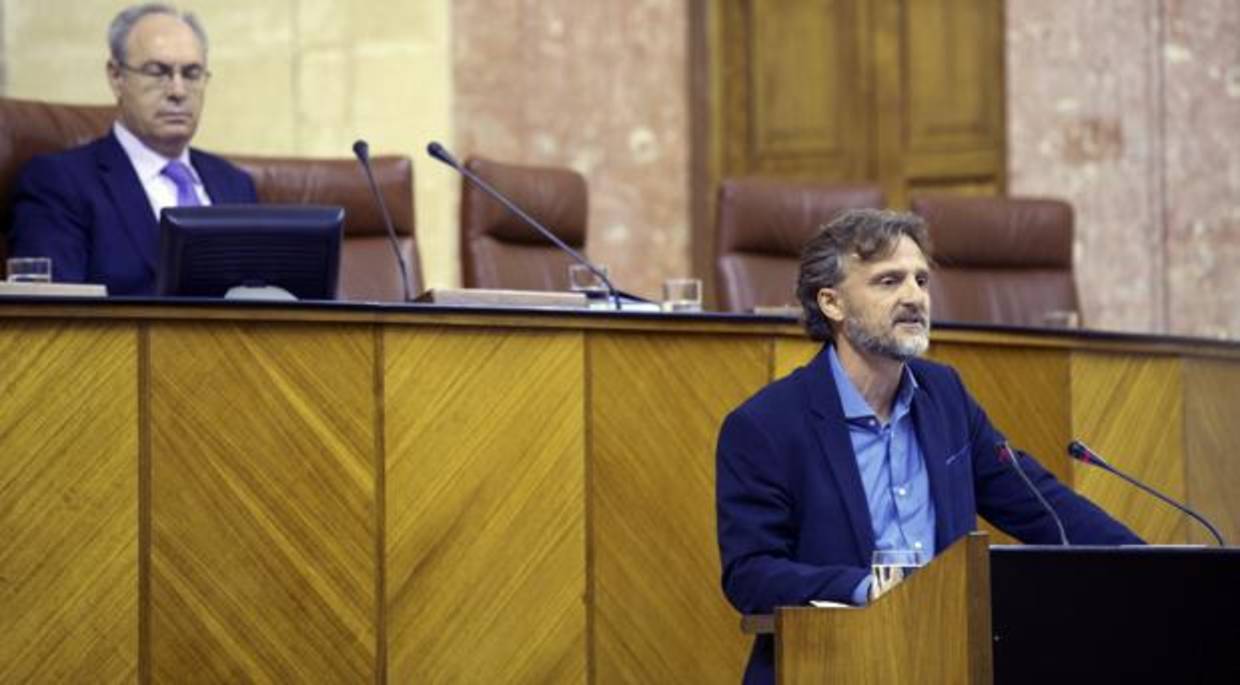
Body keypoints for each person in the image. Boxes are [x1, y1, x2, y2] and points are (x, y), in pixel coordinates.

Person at [715, 209, 1141, 684]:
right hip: (828, 663)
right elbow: (751, 574)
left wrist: (1145, 563)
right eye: (888, 281)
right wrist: (872, 590)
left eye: (921, 279)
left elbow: (1041, 505)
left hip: (948, 662)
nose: (914, 297)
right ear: (832, 303)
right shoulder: (765, 425)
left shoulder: (945, 396)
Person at [7, 3, 256, 295]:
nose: (177, 91)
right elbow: (55, 322)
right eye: (157, 72)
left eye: (191, 73)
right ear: (116, 77)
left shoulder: (235, 184)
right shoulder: (60, 183)